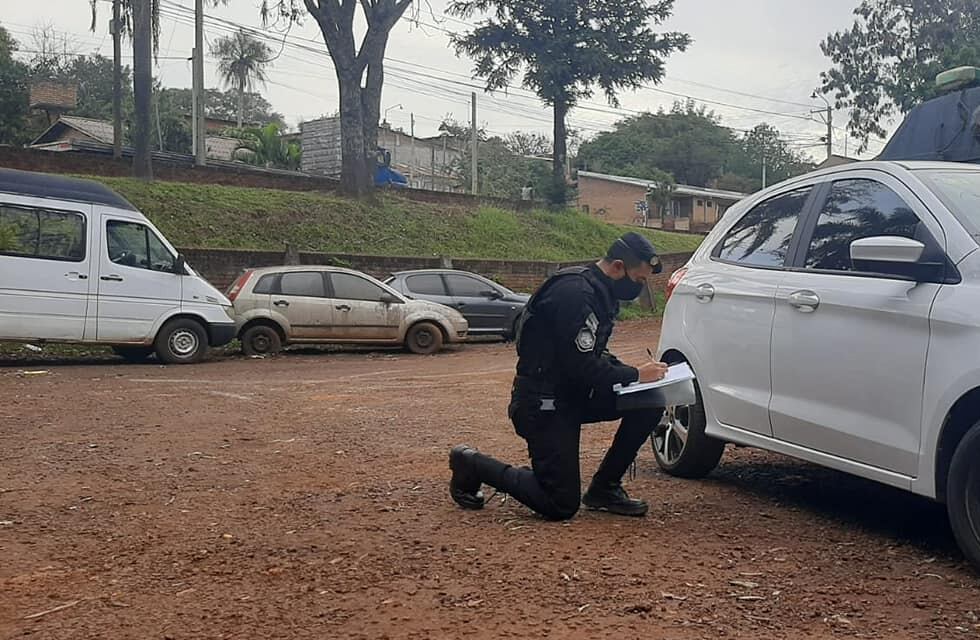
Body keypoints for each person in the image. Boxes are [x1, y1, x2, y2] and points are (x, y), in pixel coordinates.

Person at [449, 232, 668, 520]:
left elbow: (591, 355)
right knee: (559, 503)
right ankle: (471, 464)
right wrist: (636, 374)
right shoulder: (574, 294)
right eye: (639, 280)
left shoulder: (599, 292)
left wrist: (633, 375)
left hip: (573, 394)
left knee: (650, 401)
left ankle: (605, 488)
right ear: (617, 267)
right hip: (543, 403)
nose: (640, 287)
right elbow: (582, 367)